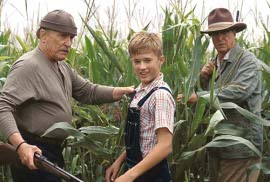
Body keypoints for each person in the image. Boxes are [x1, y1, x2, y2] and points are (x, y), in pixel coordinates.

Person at [0, 9, 134, 182]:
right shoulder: (28, 66)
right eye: (63, 36)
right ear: (43, 35)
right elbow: (3, 105)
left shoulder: (62, 66)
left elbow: (88, 91)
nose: (68, 43)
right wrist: (20, 145)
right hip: (33, 152)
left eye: (71, 38)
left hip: (52, 152)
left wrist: (122, 91)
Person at [178, 8, 262, 182]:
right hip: (218, 146)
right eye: (215, 33)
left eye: (225, 32)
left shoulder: (247, 60)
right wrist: (203, 80)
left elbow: (239, 91)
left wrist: (199, 96)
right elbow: (211, 102)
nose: (220, 37)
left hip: (241, 147)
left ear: (234, 33)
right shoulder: (214, 64)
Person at [105, 32, 175, 182]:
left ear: (160, 60)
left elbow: (165, 145)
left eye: (147, 60)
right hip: (136, 170)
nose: (142, 67)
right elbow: (141, 138)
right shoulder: (139, 92)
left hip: (153, 175)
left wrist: (129, 176)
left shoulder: (160, 95)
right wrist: (119, 162)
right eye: (137, 61)